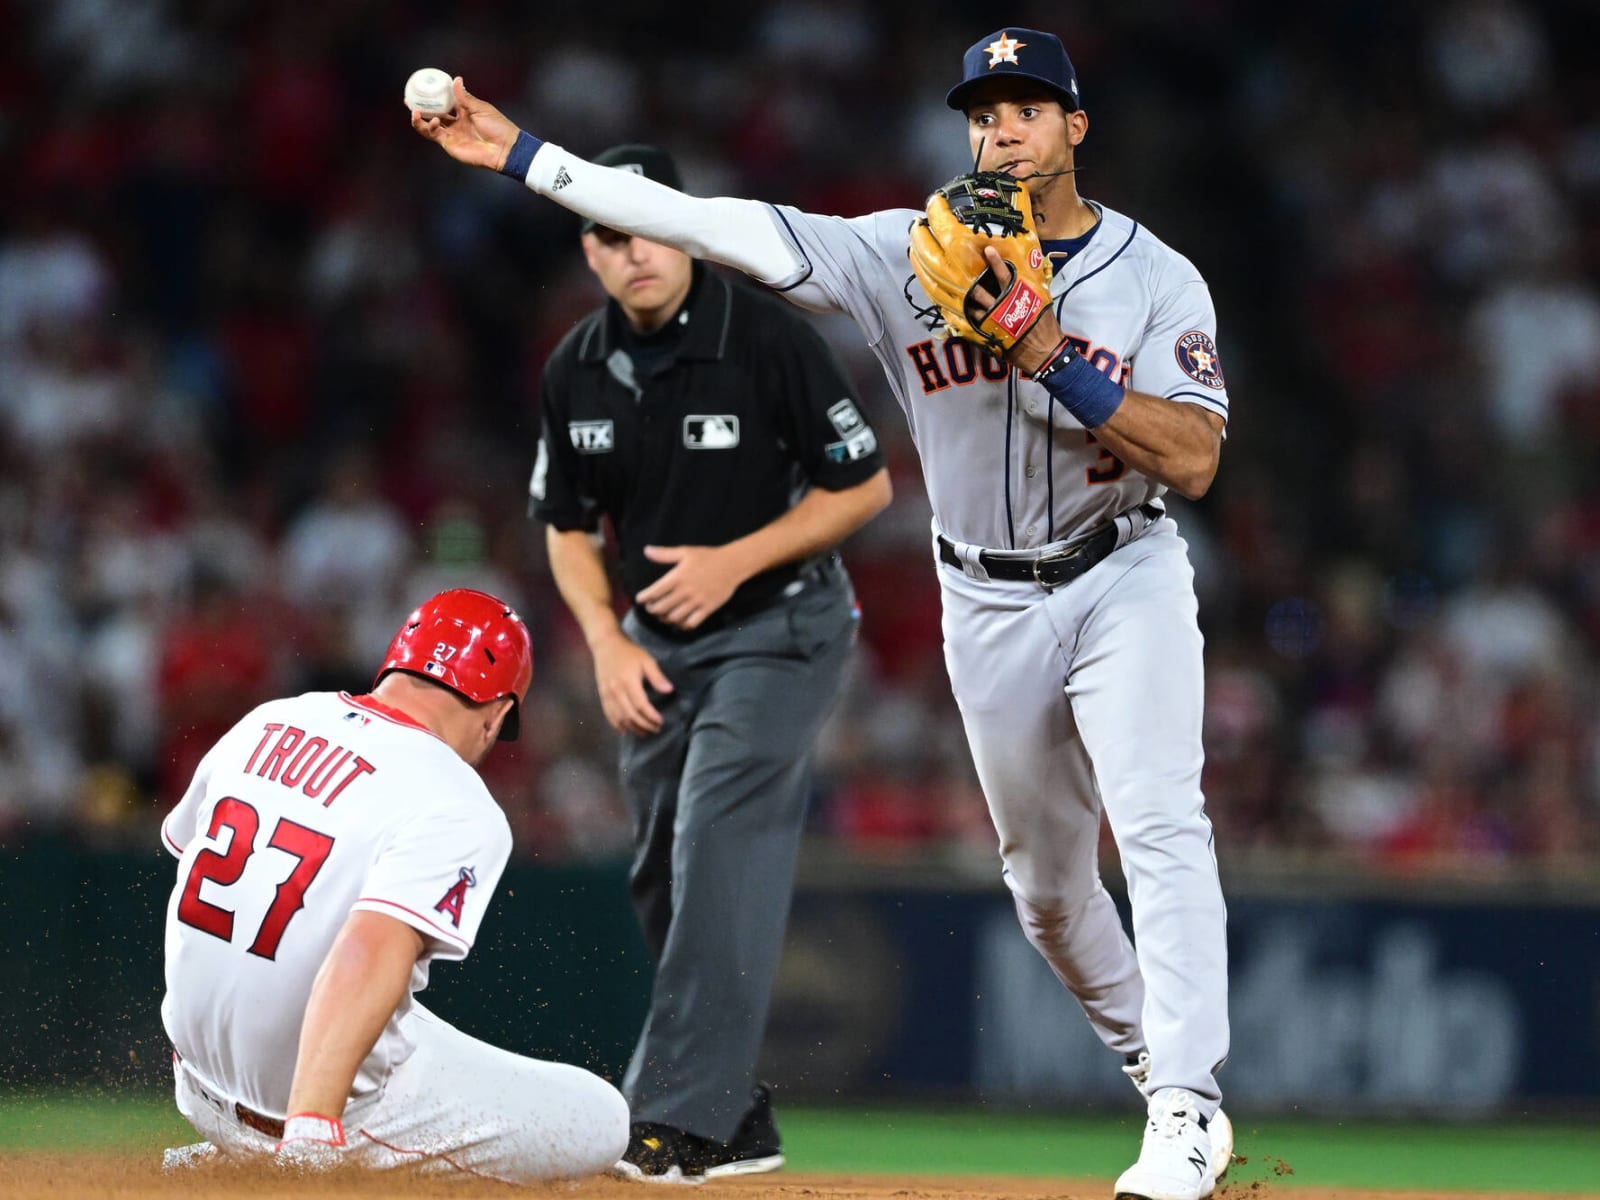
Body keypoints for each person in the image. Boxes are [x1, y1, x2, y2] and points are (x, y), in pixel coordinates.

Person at [415, 24, 1234, 1200]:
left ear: (1075, 128)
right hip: (984, 596)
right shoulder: (904, 255)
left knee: (1160, 821)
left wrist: (1045, 347)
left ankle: (1188, 1109)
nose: (998, 130)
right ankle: (1159, 1066)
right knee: (1046, 892)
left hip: (1123, 572)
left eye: (1025, 109)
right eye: (981, 111)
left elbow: (1195, 456)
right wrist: (529, 160)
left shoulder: (1154, 275)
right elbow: (714, 224)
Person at [530, 142, 893, 1182]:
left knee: (717, 838)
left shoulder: (765, 337)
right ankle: (732, 1118)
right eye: (608, 230)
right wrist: (602, 640)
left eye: (649, 221)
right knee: (663, 870)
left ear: (686, 227)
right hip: (653, 647)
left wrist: (735, 559)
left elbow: (859, 487)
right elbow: (562, 523)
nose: (634, 248)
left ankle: (674, 1117)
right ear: (590, 251)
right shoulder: (574, 367)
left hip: (782, 628)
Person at [158, 588, 629, 1182]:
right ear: (498, 713)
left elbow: (186, 861)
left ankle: (230, 1150)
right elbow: (368, 948)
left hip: (195, 1086)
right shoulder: (455, 797)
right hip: (308, 1117)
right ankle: (293, 1144)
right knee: (599, 1116)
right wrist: (310, 1127)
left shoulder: (271, 718)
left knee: (401, 1010)